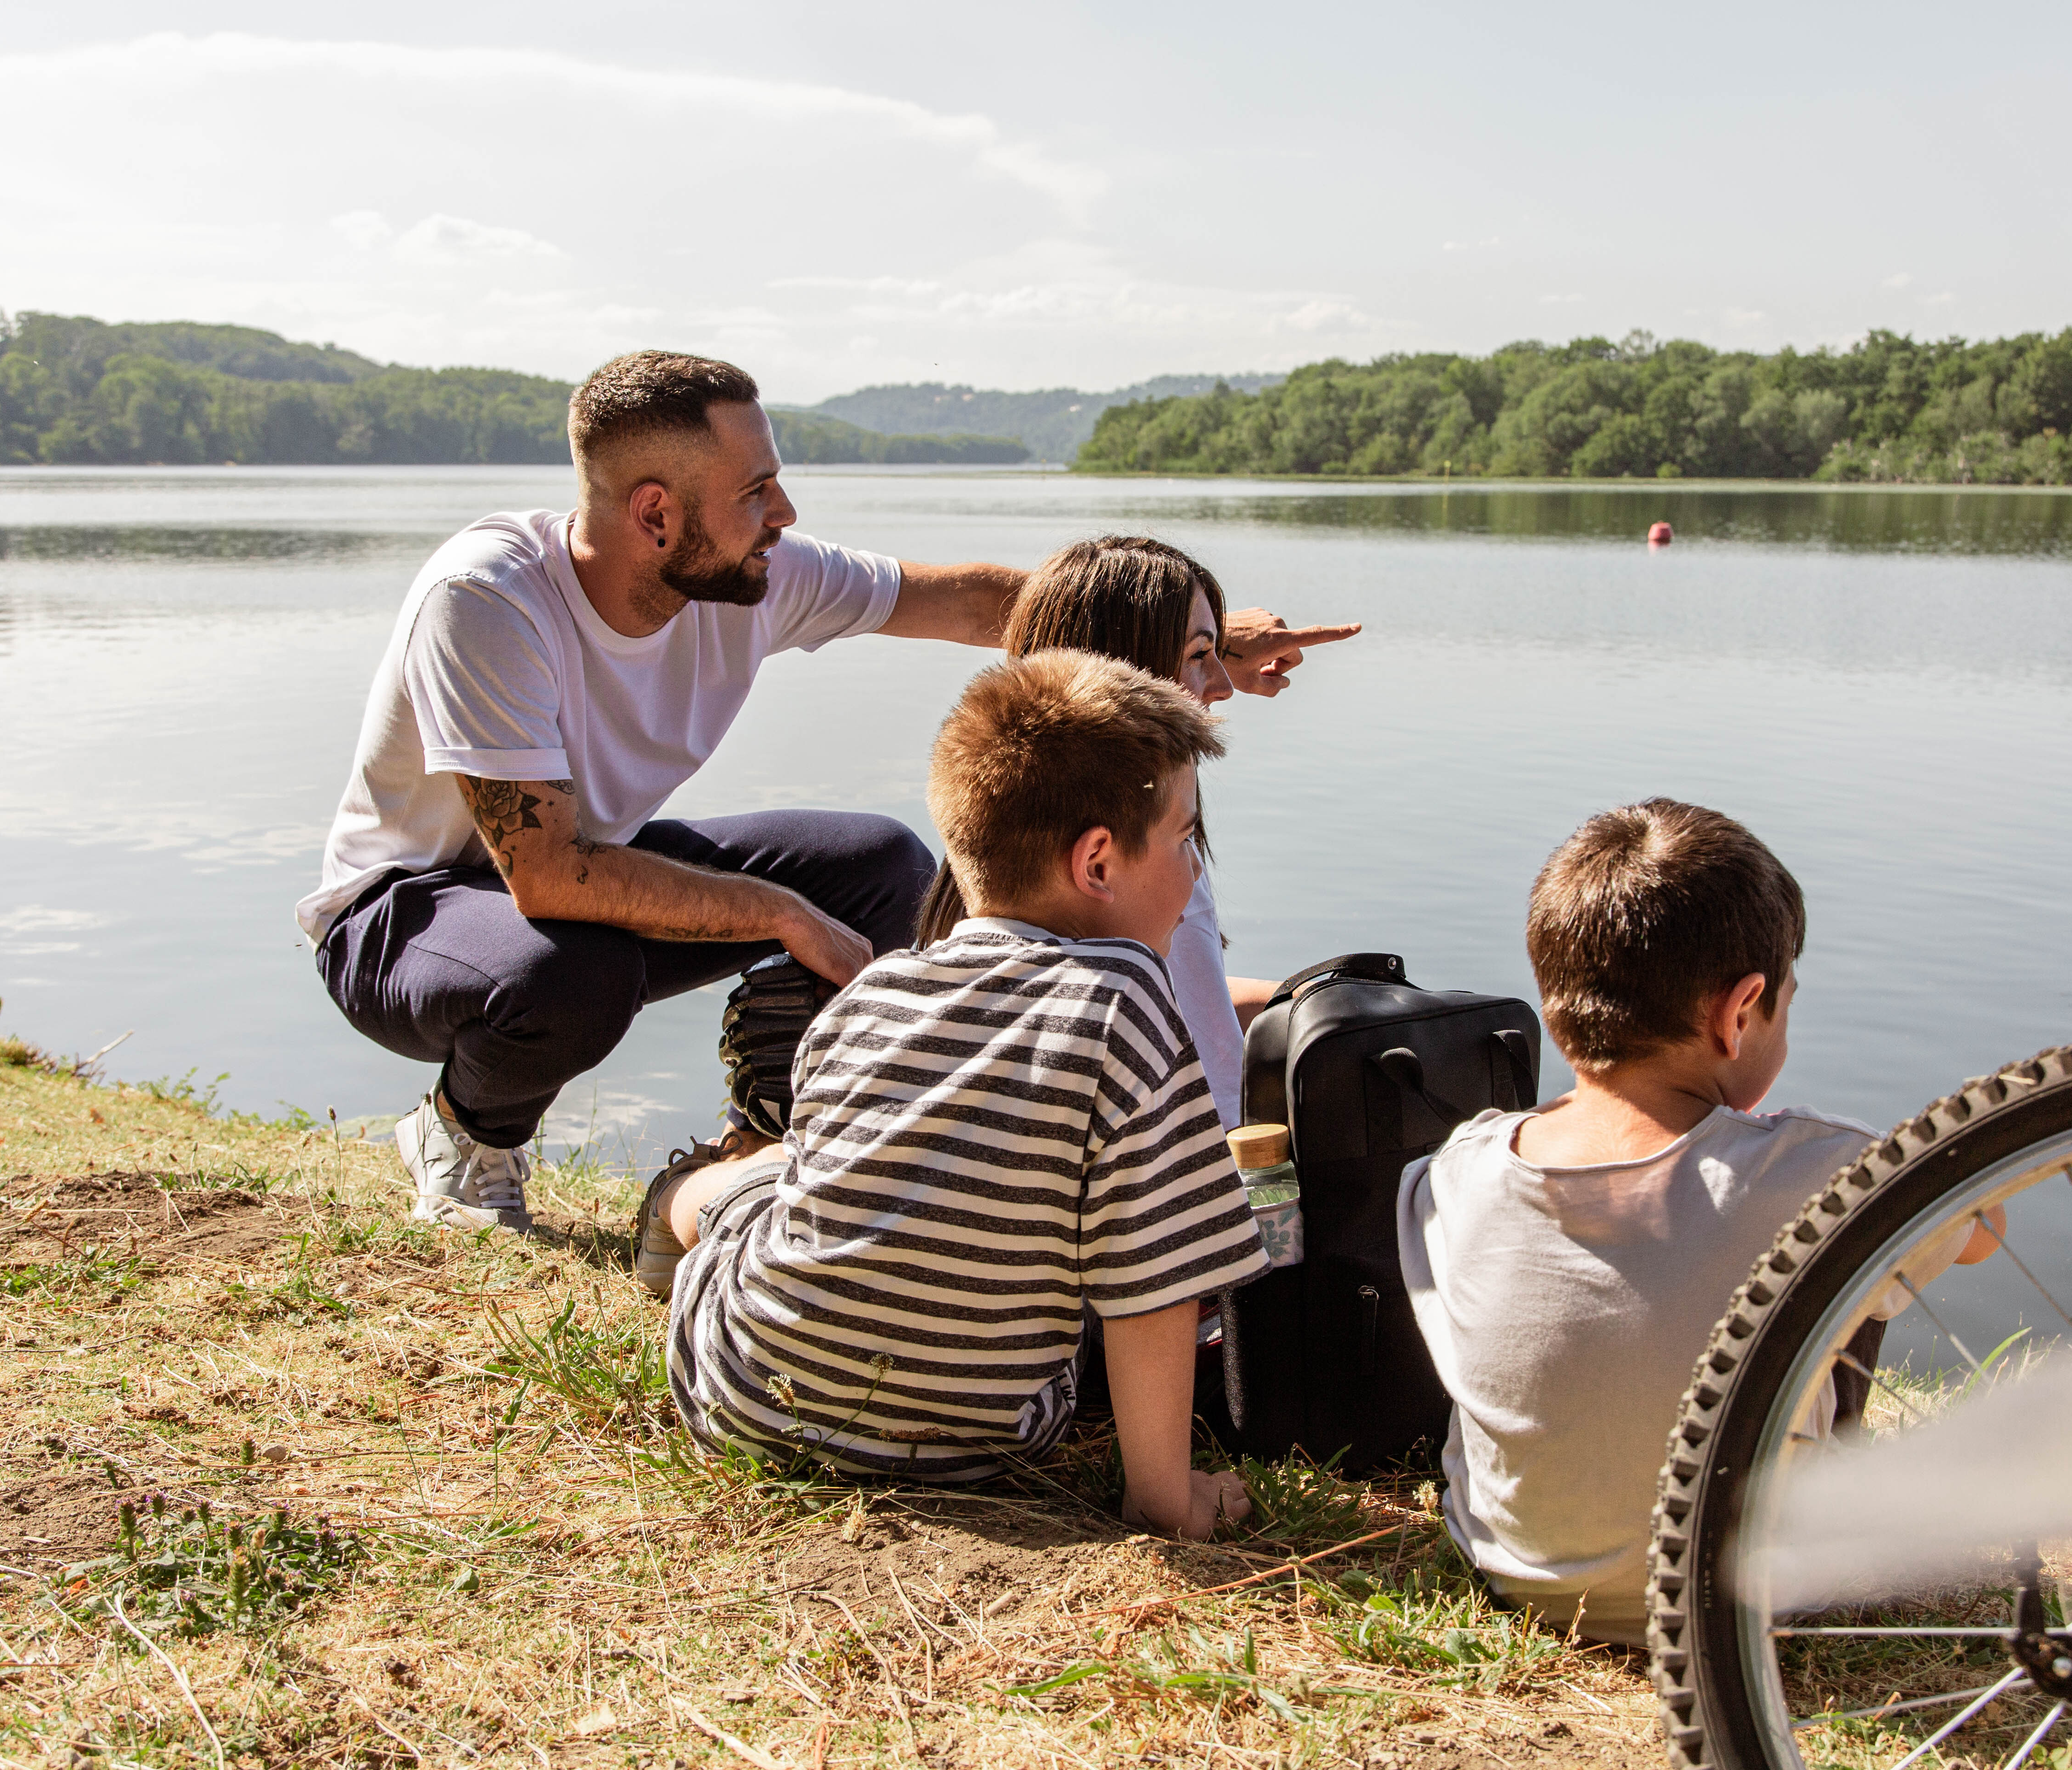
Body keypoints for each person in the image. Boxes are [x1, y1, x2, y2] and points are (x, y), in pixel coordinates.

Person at [296, 352, 1028, 1229]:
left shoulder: (753, 576)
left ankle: (767, 1143)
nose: (784, 514)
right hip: (401, 916)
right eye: (755, 491)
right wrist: (782, 915)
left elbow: (972, 605)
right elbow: (548, 877)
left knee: (881, 866)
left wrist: (1170, 625)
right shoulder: (487, 598)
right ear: (654, 514)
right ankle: (465, 1135)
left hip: (574, 872)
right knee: (574, 973)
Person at [651, 651, 1271, 1537]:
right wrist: (1166, 1502)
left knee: (769, 1182)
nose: (1193, 872)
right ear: (1097, 862)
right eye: (1183, 841)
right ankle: (681, 1194)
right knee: (753, 1188)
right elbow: (1154, 1282)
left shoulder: (871, 992)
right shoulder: (1127, 1001)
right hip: (974, 1447)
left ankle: (682, 1193)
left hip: (749, 1403)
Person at [1396, 798, 2002, 1646]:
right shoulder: (1820, 1170)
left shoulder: (1455, 1170)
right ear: (1739, 1011)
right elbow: (1981, 1232)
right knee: (1855, 1257)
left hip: (1518, 1577)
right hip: (1750, 1597)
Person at [915, 536, 1359, 1127]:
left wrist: (1306, 998)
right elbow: (1151, 1022)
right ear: (1126, 671)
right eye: (1200, 655)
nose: (1223, 685)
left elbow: (1181, 996)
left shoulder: (1009, 846)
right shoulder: (1138, 859)